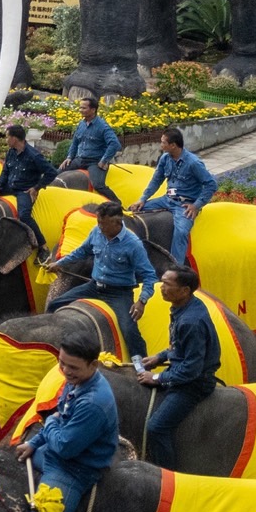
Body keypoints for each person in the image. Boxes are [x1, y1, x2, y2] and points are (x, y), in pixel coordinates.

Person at [14, 334, 119, 512]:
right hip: (53, 453)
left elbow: (64, 447)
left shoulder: (94, 403)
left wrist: (51, 424)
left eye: (73, 367)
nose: (65, 370)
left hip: (73, 469)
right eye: (61, 363)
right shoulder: (77, 380)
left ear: (94, 364)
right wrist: (34, 443)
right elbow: (60, 417)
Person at [43, 200, 156, 358]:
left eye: (103, 223)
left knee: (129, 329)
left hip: (119, 293)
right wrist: (59, 263)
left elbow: (150, 275)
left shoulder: (133, 245)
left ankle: (141, 366)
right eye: (98, 222)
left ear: (117, 222)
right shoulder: (96, 232)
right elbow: (82, 251)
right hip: (93, 286)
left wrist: (142, 301)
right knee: (55, 304)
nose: (100, 226)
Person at [136, 265, 221, 471]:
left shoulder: (191, 321)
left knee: (156, 428)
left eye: (167, 284)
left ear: (184, 290)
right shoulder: (185, 306)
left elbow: (191, 369)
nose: (161, 288)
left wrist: (156, 378)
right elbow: (178, 346)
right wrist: (160, 357)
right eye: (162, 282)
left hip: (194, 383)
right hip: (182, 370)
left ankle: (167, 474)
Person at [132, 127, 218, 262]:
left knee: (181, 232)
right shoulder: (165, 158)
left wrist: (196, 206)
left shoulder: (193, 163)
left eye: (163, 142)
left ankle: (176, 267)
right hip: (167, 199)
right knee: (134, 211)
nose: (160, 145)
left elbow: (211, 185)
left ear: (172, 145)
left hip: (183, 205)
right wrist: (142, 199)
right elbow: (156, 180)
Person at [0, 124, 62, 262]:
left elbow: (51, 172)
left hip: (24, 190)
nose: (6, 140)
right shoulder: (11, 152)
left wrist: (36, 188)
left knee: (24, 215)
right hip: (10, 187)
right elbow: (5, 172)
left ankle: (43, 247)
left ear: (14, 138)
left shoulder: (34, 155)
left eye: (7, 137)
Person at [60, 97, 123, 203]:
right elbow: (75, 142)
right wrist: (69, 157)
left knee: (98, 185)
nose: (80, 110)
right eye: (80, 107)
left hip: (95, 161)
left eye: (84, 108)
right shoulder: (81, 124)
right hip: (80, 159)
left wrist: (104, 160)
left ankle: (117, 204)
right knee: (56, 173)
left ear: (93, 110)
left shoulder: (102, 126)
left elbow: (114, 144)